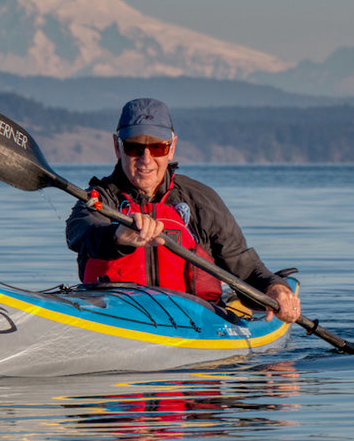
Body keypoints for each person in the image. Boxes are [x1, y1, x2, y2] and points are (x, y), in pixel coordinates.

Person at [65, 98, 301, 323]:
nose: (146, 160)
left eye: (157, 147)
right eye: (134, 147)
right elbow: (79, 231)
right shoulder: (98, 199)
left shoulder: (200, 200)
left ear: (171, 147)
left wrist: (276, 289)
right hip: (116, 319)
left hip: (197, 323)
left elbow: (245, 268)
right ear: (118, 147)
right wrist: (117, 236)